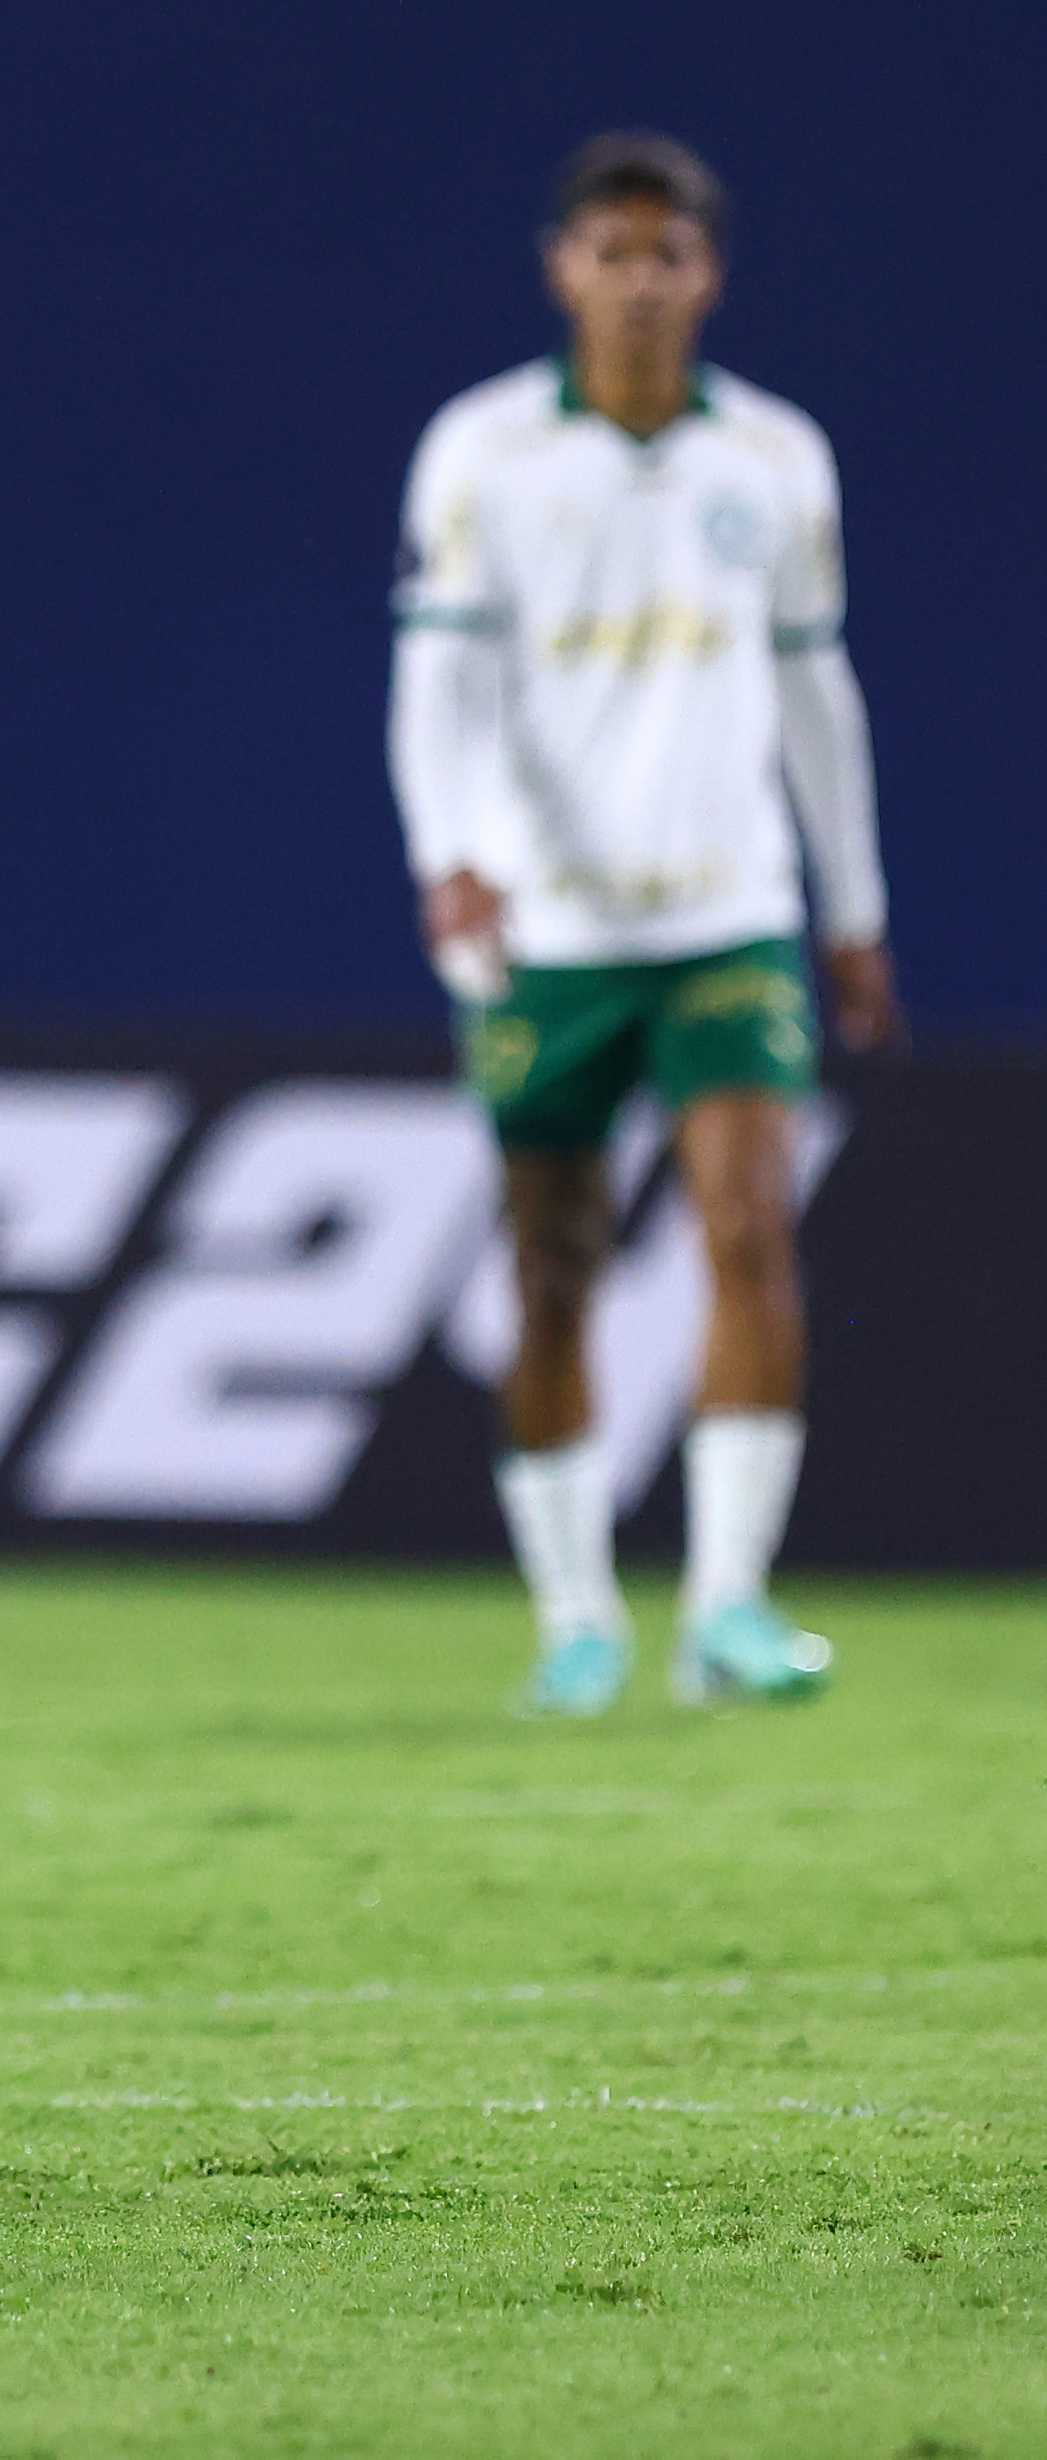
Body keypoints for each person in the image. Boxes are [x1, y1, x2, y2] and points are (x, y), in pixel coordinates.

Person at [388, 133, 896, 1720]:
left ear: (707, 275)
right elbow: (438, 679)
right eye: (609, 251)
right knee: (554, 1262)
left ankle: (731, 1606)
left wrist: (854, 901)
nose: (638, 279)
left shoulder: (775, 459)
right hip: (549, 920)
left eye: (665, 253)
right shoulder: (483, 454)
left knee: (751, 1226)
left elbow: (816, 685)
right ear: (563, 270)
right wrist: (451, 853)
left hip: (728, 910)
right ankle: (574, 1616)